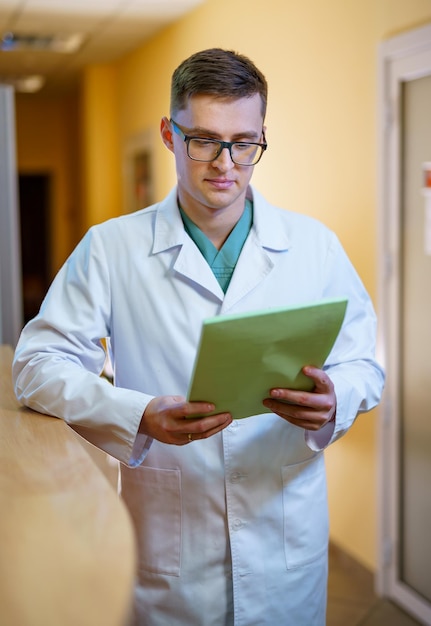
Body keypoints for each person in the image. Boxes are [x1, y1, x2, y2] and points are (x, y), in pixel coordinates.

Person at [12, 48, 385, 625]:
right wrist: (137, 413)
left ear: (261, 136)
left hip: (286, 544)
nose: (225, 163)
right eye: (204, 140)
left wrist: (338, 398)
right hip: (171, 554)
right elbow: (36, 365)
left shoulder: (315, 247)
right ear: (168, 133)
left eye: (244, 143)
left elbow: (366, 362)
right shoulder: (111, 249)